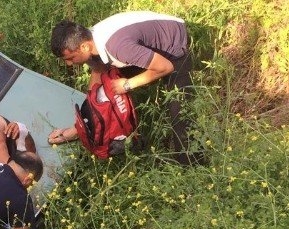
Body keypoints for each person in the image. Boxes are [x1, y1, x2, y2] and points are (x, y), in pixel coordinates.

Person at [48, 12, 196, 164]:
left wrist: (127, 84)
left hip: (173, 49)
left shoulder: (118, 48)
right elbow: (96, 92)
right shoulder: (91, 44)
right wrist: (78, 129)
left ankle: (191, 165)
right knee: (108, 89)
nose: (69, 64)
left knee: (181, 117)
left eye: (70, 58)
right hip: (143, 47)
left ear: (84, 47)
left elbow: (166, 67)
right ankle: (132, 137)